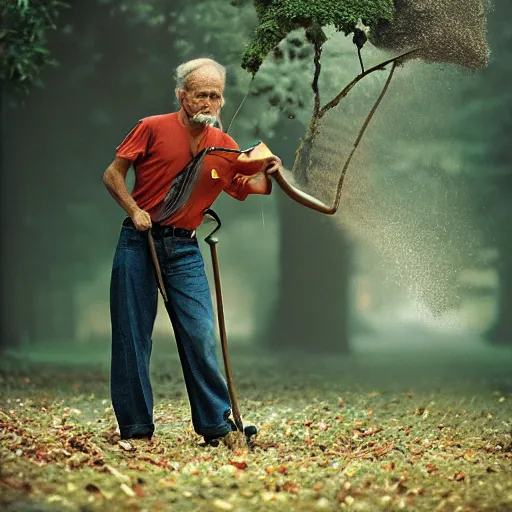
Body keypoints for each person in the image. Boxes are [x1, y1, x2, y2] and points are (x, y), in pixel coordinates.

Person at [102, 58, 281, 445]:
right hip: (139, 241)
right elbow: (112, 174)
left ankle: (217, 425)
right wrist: (134, 210)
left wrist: (269, 171)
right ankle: (136, 427)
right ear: (182, 96)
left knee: (200, 334)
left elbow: (245, 187)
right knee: (133, 336)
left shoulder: (225, 145)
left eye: (216, 96)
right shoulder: (151, 127)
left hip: (184, 248)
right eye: (201, 95)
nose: (209, 103)